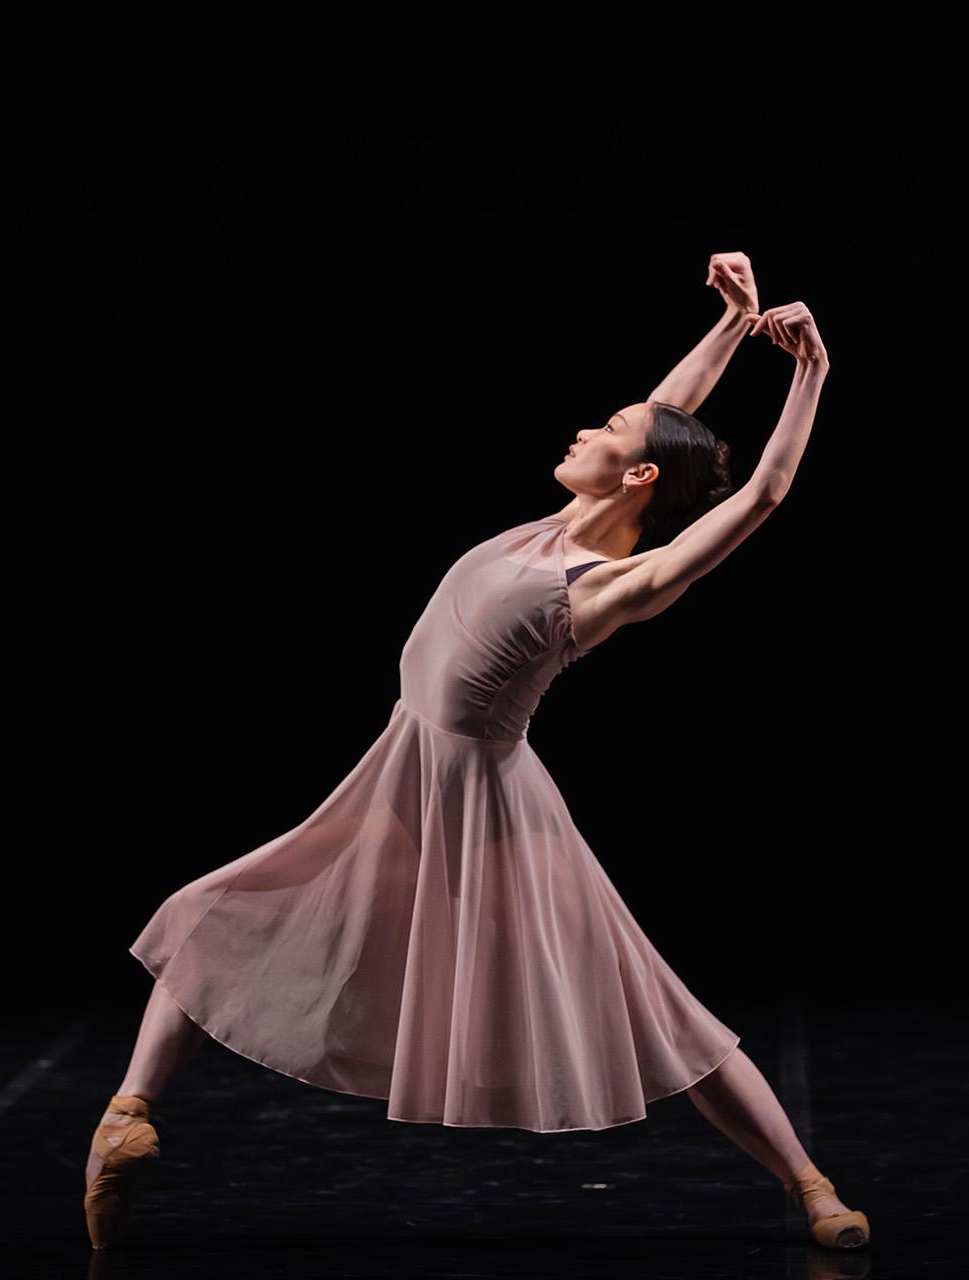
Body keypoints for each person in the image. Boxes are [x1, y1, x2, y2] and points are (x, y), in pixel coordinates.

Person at [84, 252, 866, 1251]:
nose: (586, 425)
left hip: (488, 806)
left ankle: (811, 1187)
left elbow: (752, 498)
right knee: (212, 912)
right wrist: (733, 324)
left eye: (608, 430)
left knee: (649, 999)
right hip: (404, 774)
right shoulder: (551, 528)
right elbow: (666, 417)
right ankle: (127, 1117)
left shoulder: (602, 585)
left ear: (636, 478)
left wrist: (810, 372)